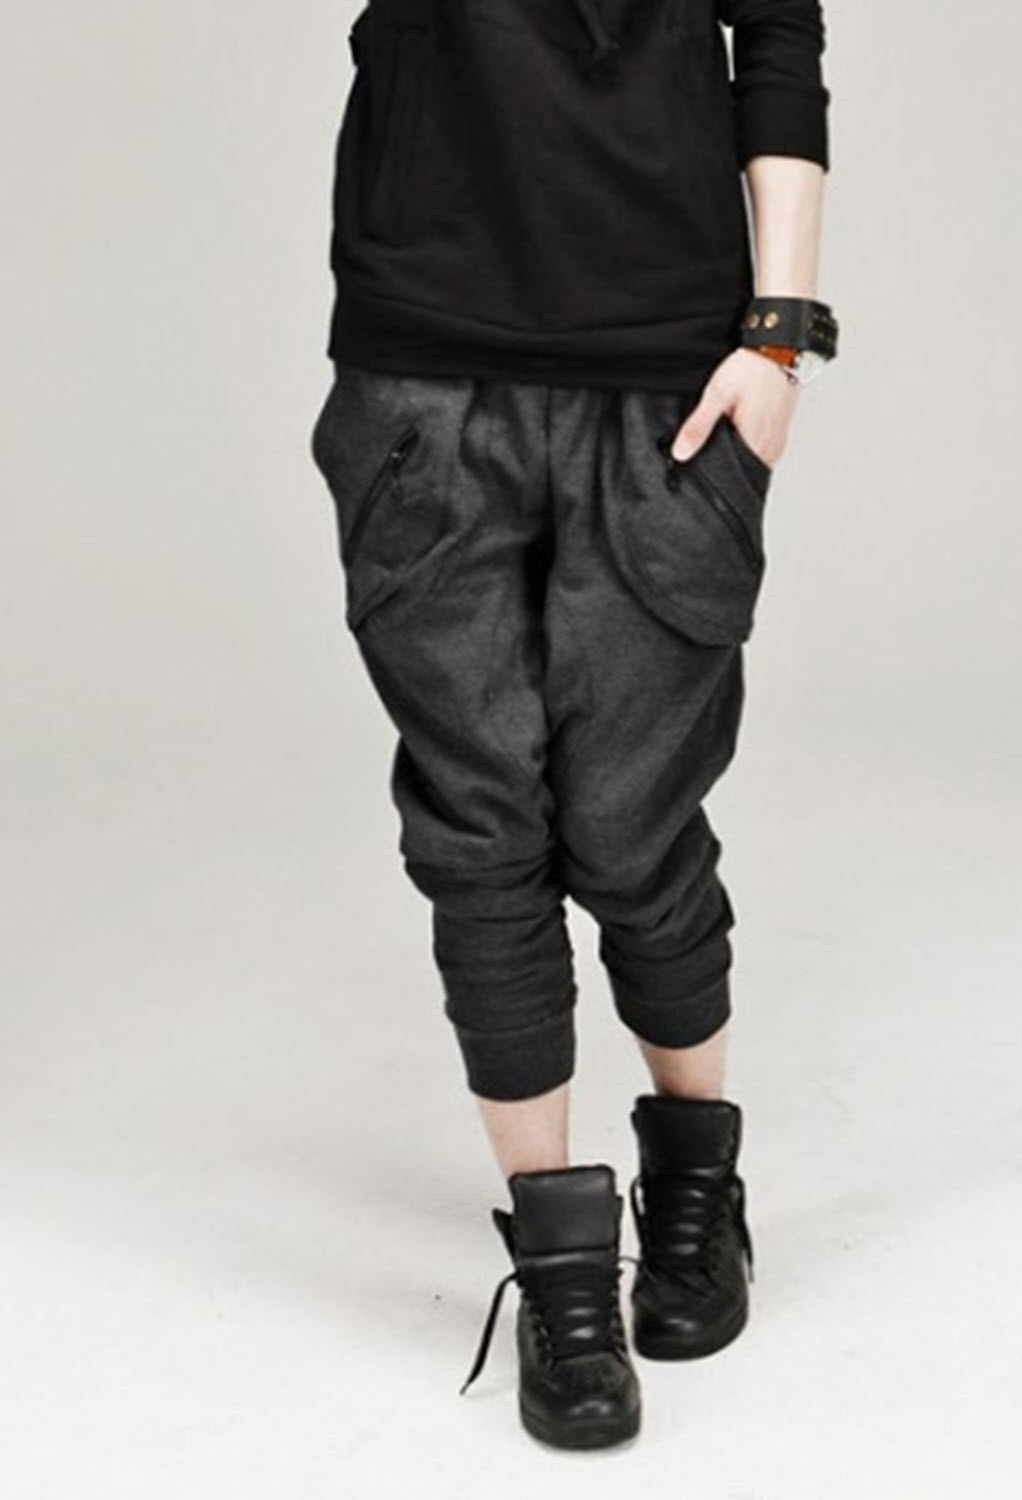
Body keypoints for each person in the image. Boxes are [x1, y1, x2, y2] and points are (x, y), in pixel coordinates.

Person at [309, 0, 838, 1451]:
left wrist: (779, 337)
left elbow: (778, 43)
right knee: (478, 828)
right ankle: (559, 1267)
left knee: (632, 829)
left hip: (668, 379)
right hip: (424, 373)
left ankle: (694, 1182)